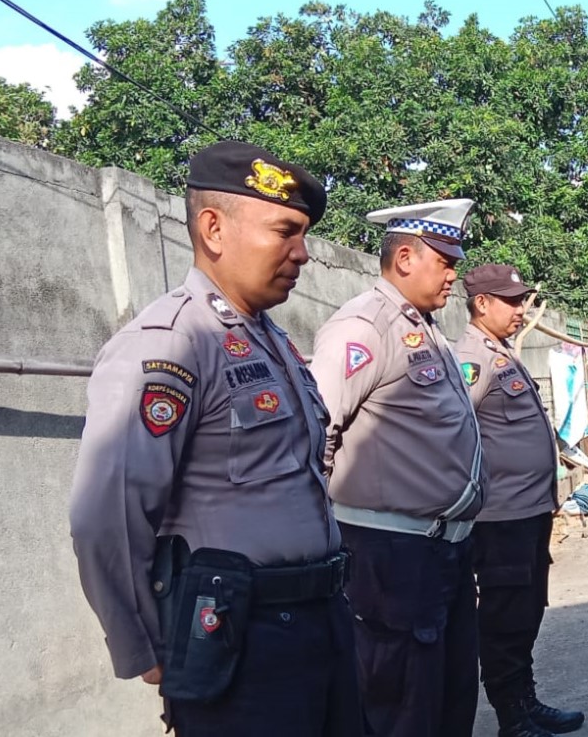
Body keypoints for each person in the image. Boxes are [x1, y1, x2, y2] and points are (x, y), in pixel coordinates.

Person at [69, 141, 359, 736]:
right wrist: (144, 643)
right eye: (285, 230)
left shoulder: (271, 340)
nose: (302, 253)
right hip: (239, 642)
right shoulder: (169, 342)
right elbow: (108, 512)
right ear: (213, 229)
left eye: (303, 234)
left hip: (320, 622)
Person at [311, 198, 485, 737]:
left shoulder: (424, 326)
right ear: (405, 257)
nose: (454, 275)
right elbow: (317, 433)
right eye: (445, 261)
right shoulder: (364, 326)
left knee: (450, 696)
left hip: (441, 551)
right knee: (402, 708)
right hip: (390, 557)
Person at [454, 264, 586, 737]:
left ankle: (526, 702)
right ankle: (512, 717)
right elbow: (451, 428)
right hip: (500, 516)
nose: (520, 309)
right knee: (506, 616)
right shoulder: (472, 357)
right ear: (481, 303)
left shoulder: (502, 352)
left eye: (522, 300)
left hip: (528, 512)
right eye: (510, 301)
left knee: (528, 610)